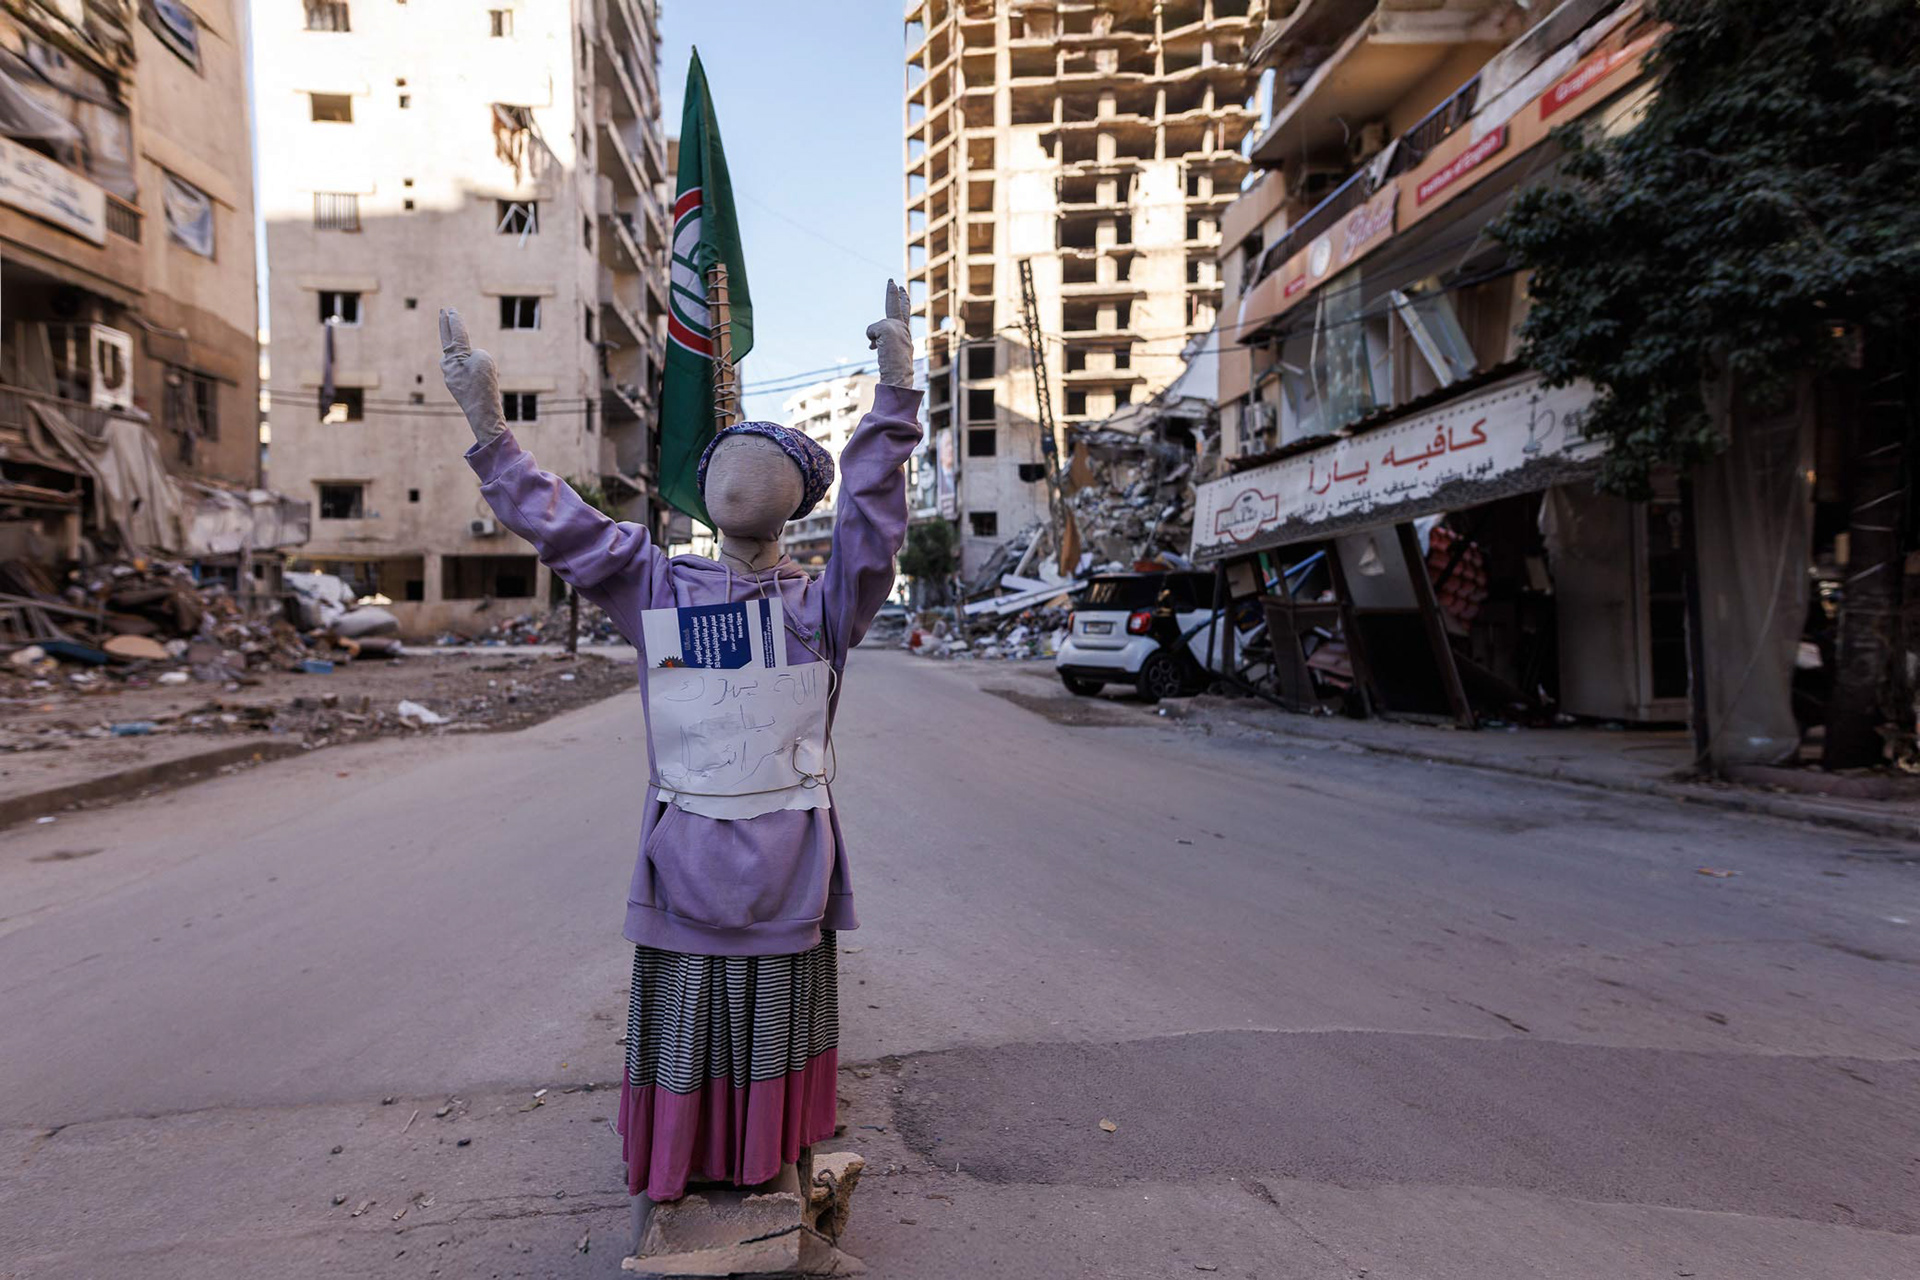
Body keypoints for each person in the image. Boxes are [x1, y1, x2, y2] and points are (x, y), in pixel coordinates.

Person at [437, 284, 921, 1215]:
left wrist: (894, 400)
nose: (749, 466)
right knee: (688, 1023)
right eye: (734, 455)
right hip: (684, 859)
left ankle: (769, 1162)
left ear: (796, 501)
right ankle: (684, 1165)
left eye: (772, 459)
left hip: (789, 864)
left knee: (773, 1023)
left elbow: (874, 525)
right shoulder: (656, 583)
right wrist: (489, 428)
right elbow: (558, 524)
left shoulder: (822, 602)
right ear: (708, 488)